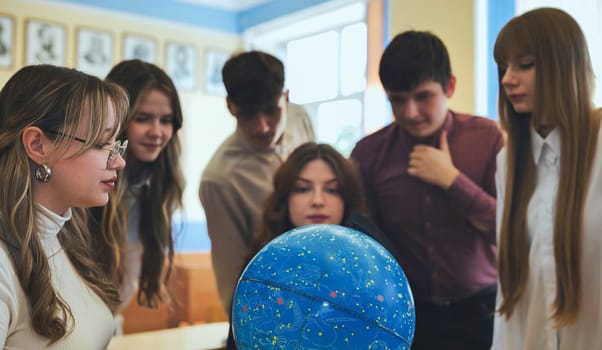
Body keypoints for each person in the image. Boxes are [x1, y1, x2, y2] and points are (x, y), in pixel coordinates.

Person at [350, 30, 504, 349]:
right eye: (397, 100)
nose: (410, 112)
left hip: (483, 311)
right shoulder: (368, 154)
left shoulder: (488, 138)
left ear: (449, 86)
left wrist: (452, 181)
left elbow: (508, 231)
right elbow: (367, 246)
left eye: (423, 97)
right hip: (407, 314)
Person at [492, 8, 602, 350]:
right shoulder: (508, 163)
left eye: (525, 64)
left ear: (563, 65)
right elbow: (509, 294)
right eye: (504, 66)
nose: (507, 79)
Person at [0, 65, 128, 348]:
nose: (118, 161)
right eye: (101, 144)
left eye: (117, 144)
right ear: (38, 145)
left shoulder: (66, 237)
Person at [225, 142, 395, 349]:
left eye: (332, 190)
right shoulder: (261, 265)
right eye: (303, 189)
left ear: (346, 199)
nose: (317, 200)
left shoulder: (371, 265)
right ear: (285, 198)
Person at [199, 50, 315, 313]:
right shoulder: (219, 180)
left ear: (286, 98)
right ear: (230, 106)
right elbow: (232, 280)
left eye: (271, 111)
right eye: (248, 115)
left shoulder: (301, 118)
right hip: (271, 307)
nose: (262, 127)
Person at [89, 60, 185, 322]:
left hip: (107, 316)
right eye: (142, 118)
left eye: (166, 120)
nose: (157, 132)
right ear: (115, 121)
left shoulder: (161, 187)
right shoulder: (86, 185)